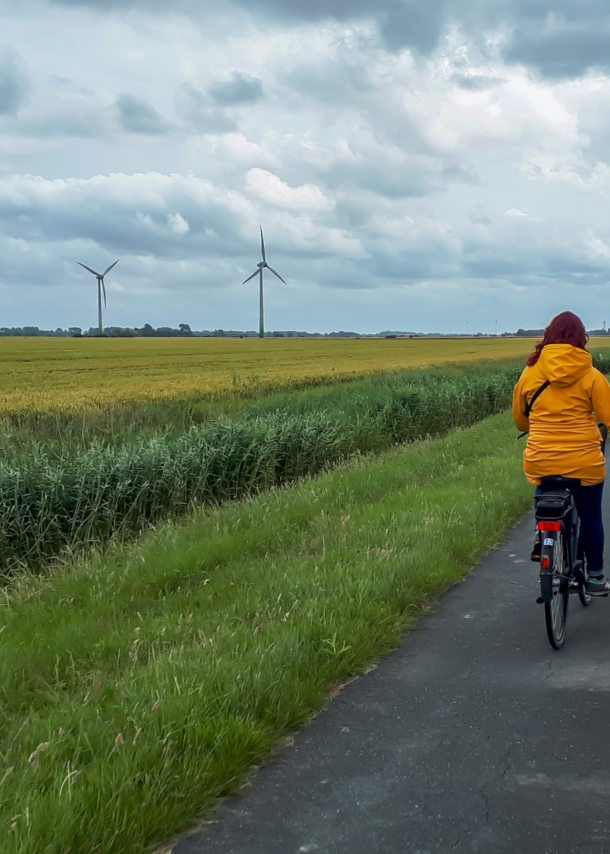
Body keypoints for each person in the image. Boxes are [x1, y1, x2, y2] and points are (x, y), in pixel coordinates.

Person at [512, 311, 610, 595]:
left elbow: (520, 420)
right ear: (582, 338)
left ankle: (542, 535)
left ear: (549, 337)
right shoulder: (592, 376)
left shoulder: (531, 372)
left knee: (545, 487)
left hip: (541, 457)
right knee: (591, 517)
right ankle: (594, 578)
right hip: (584, 461)